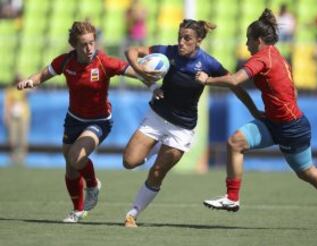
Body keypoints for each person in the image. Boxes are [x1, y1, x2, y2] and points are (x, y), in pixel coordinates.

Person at [196, 9, 317, 228]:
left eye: (248, 40)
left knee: (306, 172)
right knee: (235, 142)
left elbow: (234, 80)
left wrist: (207, 80)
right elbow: (293, 90)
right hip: (274, 122)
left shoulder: (262, 58)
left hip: (291, 127)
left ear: (259, 40)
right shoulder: (274, 53)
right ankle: (232, 198)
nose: (246, 44)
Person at [121, 19, 259, 228]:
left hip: (182, 128)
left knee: (157, 172)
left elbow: (235, 85)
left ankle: (133, 214)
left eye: (187, 39)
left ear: (199, 41)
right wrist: (142, 73)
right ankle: (156, 145)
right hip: (157, 117)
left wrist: (254, 110)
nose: (182, 42)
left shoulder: (209, 64)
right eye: (180, 37)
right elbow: (131, 51)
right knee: (129, 162)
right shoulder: (167, 52)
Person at [16, 21, 147, 223]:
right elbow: (43, 74)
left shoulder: (104, 62)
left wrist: (148, 77)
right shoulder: (65, 62)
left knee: (76, 159)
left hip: (99, 121)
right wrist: (30, 81)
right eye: (84, 44)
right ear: (74, 46)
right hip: (74, 119)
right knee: (70, 167)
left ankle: (93, 185)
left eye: (92, 43)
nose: (89, 48)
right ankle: (77, 210)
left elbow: (132, 71)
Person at [3, 74, 30, 166]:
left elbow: (32, 90)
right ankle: (13, 155)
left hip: (23, 116)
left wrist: (26, 82)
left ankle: (22, 156)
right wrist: (6, 115)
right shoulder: (10, 90)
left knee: (23, 137)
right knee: (12, 137)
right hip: (13, 115)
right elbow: (7, 103)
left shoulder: (24, 89)